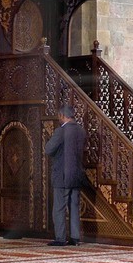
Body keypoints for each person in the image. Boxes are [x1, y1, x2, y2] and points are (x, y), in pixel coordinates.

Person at [44, 102, 87, 246]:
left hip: (62, 176)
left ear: (62, 116)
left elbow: (49, 149)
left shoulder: (61, 131)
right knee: (74, 207)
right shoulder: (81, 130)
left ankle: (60, 238)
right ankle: (75, 237)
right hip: (76, 175)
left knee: (59, 208)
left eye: (59, 117)